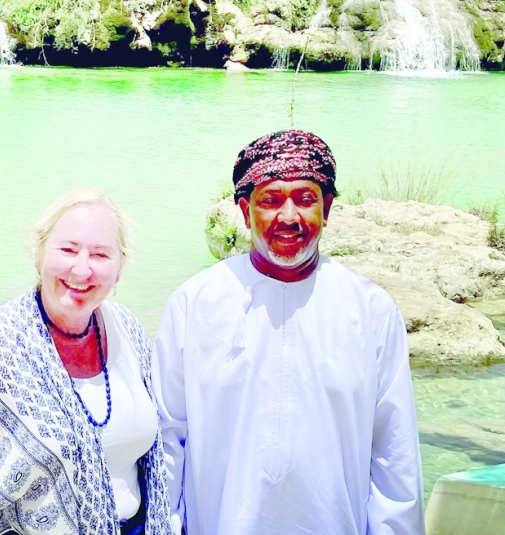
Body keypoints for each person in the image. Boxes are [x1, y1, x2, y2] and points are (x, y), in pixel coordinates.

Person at [153, 130, 424, 535]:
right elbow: (167, 440)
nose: (289, 217)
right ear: (245, 212)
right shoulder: (195, 304)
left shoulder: (370, 311)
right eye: (271, 200)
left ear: (327, 208)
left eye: (305, 198)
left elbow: (394, 455)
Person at [0, 189, 172, 535]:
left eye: (100, 254)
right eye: (67, 249)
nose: (82, 268)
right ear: (38, 255)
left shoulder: (128, 331)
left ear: (120, 266)